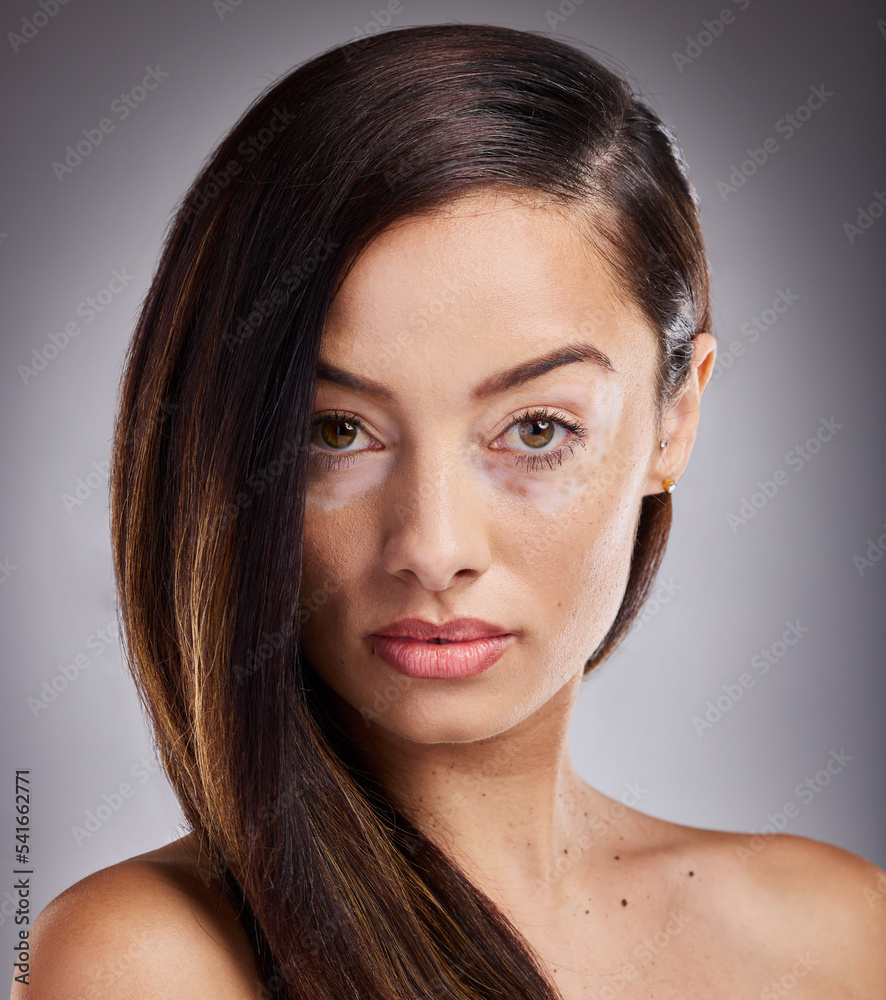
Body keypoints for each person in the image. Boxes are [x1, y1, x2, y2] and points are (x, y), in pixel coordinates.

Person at [14, 22, 885, 1000]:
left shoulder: (844, 933)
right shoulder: (141, 960)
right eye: (335, 431)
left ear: (673, 419)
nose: (432, 547)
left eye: (537, 429)